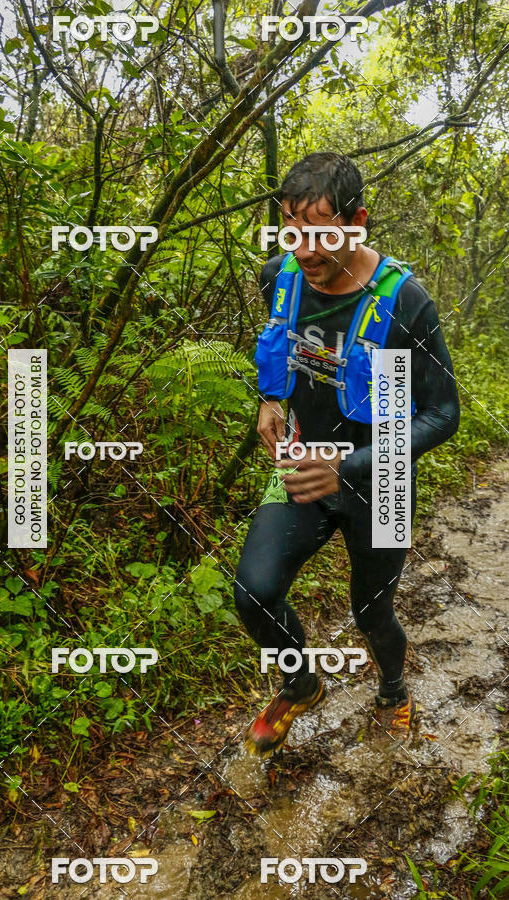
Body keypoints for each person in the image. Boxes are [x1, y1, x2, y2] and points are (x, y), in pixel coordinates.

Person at [236, 152, 460, 756]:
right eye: (293, 231)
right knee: (253, 591)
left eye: (323, 234)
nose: (305, 251)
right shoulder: (278, 277)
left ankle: (392, 688)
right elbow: (284, 347)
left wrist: (347, 465)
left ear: (357, 222)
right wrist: (270, 398)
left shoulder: (404, 303)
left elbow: (443, 415)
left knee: (371, 610)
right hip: (305, 468)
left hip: (379, 480)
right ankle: (302, 683)